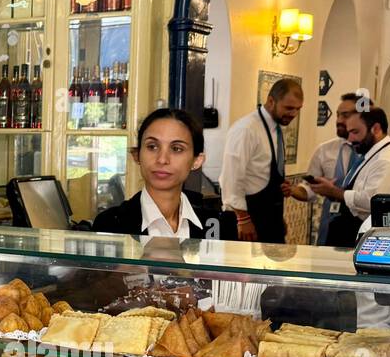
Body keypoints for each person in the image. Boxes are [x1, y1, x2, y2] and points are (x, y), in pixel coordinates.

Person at [93, 108, 237, 239]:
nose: (162, 159)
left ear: (197, 160)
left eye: (176, 149)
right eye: (152, 146)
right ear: (137, 155)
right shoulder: (110, 224)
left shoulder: (217, 224)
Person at [309, 106, 390, 247]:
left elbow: (372, 201)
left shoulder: (386, 160)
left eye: (355, 132)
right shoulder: (372, 156)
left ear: (375, 129)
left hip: (371, 240)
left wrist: (335, 192)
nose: (350, 139)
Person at [218, 78, 304, 244]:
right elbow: (231, 177)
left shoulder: (275, 129)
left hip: (268, 220)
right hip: (246, 220)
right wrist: (243, 219)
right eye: (288, 108)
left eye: (297, 109)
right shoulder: (246, 129)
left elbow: (261, 173)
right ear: (271, 101)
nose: (293, 114)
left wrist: (277, 218)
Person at [289, 92, 359, 245]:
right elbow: (309, 190)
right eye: (338, 115)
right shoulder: (324, 151)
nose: (339, 121)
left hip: (360, 231)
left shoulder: (372, 155)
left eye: (345, 116)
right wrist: (293, 190)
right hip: (330, 229)